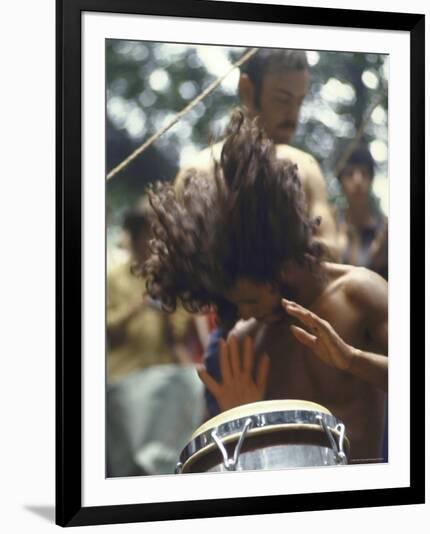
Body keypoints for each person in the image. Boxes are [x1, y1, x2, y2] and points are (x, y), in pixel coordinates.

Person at [143, 110, 388, 464]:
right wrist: (238, 418)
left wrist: (352, 360)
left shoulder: (359, 294)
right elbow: (222, 472)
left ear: (280, 266)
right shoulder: (244, 343)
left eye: (249, 299)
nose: (242, 313)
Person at [175, 48, 339, 259]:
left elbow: (332, 252)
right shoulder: (198, 171)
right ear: (247, 90)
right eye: (282, 99)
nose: (293, 115)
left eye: (300, 101)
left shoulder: (305, 168)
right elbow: (180, 262)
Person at [106, 202, 205, 476]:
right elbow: (105, 327)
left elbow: (180, 331)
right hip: (124, 379)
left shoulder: (170, 277)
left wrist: (165, 309)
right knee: (127, 465)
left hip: (164, 379)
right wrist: (137, 307)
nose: (152, 243)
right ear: (134, 237)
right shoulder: (112, 278)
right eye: (147, 235)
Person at [336, 144, 388, 280]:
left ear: (371, 179)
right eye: (349, 173)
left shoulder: (385, 228)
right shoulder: (331, 225)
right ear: (340, 181)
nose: (358, 180)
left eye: (364, 173)